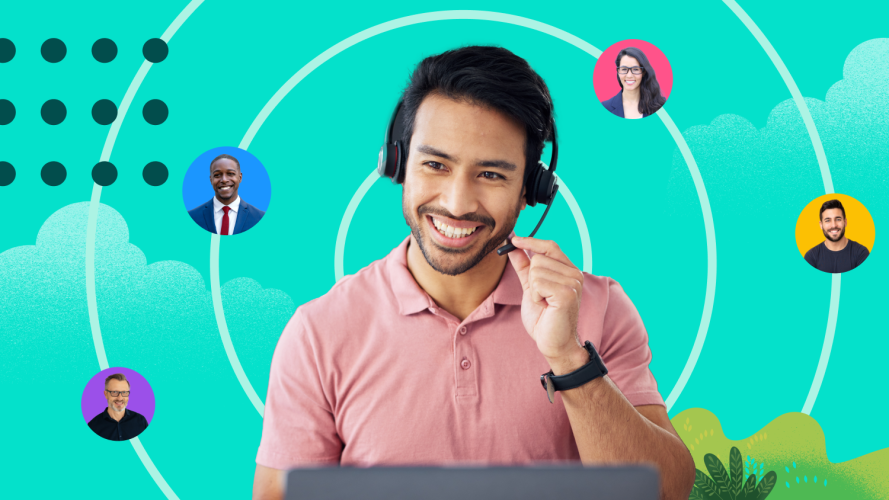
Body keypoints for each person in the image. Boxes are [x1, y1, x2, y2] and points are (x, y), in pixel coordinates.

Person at [253, 46, 694, 500]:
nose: (458, 203)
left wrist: (568, 359)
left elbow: (665, 492)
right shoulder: (318, 332)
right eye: (436, 165)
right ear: (398, 165)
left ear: (531, 191)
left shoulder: (599, 309)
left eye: (490, 175)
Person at [188, 154, 265, 235]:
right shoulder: (192, 217)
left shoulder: (259, 218)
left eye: (230, 173)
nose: (224, 180)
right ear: (211, 180)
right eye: (217, 175)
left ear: (240, 177)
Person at [804, 199, 869, 273]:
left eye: (838, 219)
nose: (834, 225)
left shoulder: (861, 253)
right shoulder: (811, 257)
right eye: (827, 220)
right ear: (821, 225)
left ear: (845, 222)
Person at [600, 47, 667, 119]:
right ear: (618, 72)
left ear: (643, 72)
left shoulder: (661, 106)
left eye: (635, 69)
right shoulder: (605, 107)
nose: (629, 76)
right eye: (624, 69)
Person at [87, 373, 149, 441]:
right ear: (106, 394)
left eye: (124, 392)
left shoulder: (141, 421)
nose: (120, 398)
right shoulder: (92, 427)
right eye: (114, 392)